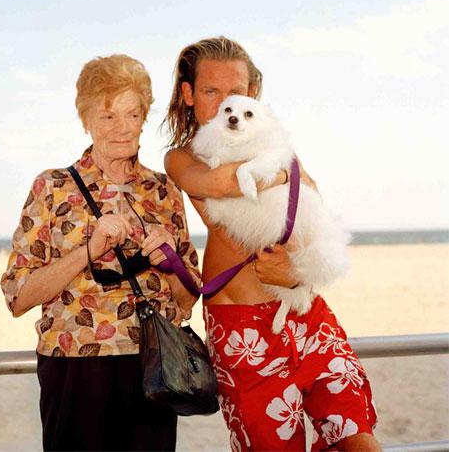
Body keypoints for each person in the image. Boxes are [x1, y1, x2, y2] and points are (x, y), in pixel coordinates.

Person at [162, 36, 379, 451]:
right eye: (211, 92)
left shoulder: (275, 148)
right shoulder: (183, 157)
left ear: (253, 96)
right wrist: (279, 172)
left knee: (360, 440)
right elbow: (224, 184)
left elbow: (312, 204)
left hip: (305, 311)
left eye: (237, 94)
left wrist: (296, 272)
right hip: (242, 329)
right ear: (189, 94)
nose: (226, 106)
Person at [0, 54, 201, 451]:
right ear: (86, 120)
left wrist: (171, 262)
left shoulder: (163, 191)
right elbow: (18, 296)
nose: (122, 129)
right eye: (108, 116)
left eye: (132, 114)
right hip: (75, 367)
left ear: (144, 118)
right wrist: (88, 251)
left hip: (155, 370)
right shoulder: (52, 187)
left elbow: (189, 297)